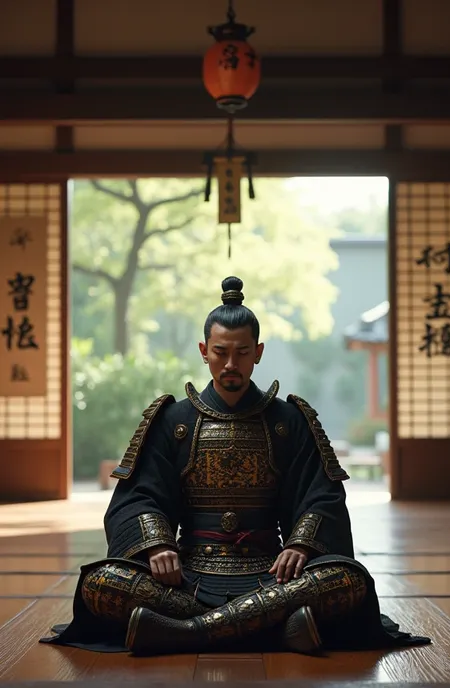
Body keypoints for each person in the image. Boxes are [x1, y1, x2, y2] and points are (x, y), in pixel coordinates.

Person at [42, 276, 430, 656]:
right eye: (220, 352)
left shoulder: (289, 420)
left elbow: (321, 496)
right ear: (203, 350)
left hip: (275, 576)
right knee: (101, 582)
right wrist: (158, 543)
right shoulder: (173, 420)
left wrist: (299, 543)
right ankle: (274, 629)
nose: (231, 363)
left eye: (242, 353)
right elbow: (138, 496)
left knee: (346, 581)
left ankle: (184, 632)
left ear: (258, 352)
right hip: (187, 575)